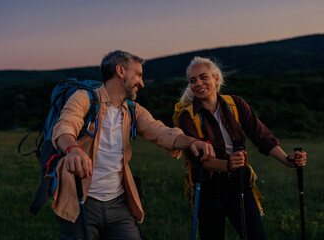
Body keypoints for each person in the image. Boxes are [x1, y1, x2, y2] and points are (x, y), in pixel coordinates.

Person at [50, 50, 215, 240]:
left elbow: (161, 132)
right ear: (120, 71)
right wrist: (73, 150)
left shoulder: (132, 110)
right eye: (138, 75)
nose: (142, 83)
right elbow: (64, 127)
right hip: (80, 202)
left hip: (119, 204)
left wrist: (192, 141)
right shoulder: (85, 99)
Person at [178, 56, 307, 240]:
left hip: (239, 183)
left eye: (203, 77)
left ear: (216, 78)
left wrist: (288, 160)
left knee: (256, 237)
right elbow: (197, 160)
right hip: (208, 189)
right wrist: (227, 164)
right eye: (192, 80)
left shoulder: (235, 104)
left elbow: (262, 137)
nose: (198, 83)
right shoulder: (187, 117)